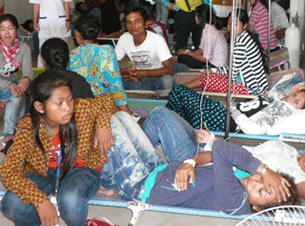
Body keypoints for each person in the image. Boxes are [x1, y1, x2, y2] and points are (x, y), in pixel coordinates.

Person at [105, 106, 296, 215]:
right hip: (159, 170)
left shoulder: (237, 201)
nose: (255, 181)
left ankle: (106, 181)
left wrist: (264, 170)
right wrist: (190, 162)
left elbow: (220, 148)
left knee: (109, 122)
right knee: (122, 116)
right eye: (261, 180)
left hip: (141, 189)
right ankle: (111, 171)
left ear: (257, 208)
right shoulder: (246, 179)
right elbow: (216, 155)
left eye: (261, 191)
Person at [0, 69, 114, 226]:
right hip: (43, 172)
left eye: (70, 100)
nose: (67, 108)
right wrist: (39, 201)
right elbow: (8, 170)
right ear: (40, 107)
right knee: (12, 204)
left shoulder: (81, 109)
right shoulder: (28, 125)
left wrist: (103, 126)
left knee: (70, 200)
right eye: (59, 103)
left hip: (81, 169)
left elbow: (107, 100)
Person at [184, 8, 268, 95]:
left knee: (206, 80)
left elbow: (232, 74)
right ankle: (181, 88)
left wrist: (215, 77)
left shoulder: (241, 43)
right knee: (209, 76)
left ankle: (180, 88)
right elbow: (233, 69)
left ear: (244, 25)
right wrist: (213, 71)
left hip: (251, 88)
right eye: (229, 23)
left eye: (235, 24)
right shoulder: (244, 38)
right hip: (250, 82)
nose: (231, 27)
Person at [166, 84, 305, 134]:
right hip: (228, 112)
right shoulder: (279, 99)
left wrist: (234, 111)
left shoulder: (282, 110)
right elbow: (278, 92)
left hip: (228, 121)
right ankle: (173, 125)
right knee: (182, 95)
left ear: (299, 110)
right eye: (294, 95)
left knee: (180, 93)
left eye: (297, 101)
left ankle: (170, 125)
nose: (291, 98)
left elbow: (254, 130)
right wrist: (297, 87)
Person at [68, 14, 129, 113]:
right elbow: (115, 85)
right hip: (104, 110)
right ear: (98, 33)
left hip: (81, 112)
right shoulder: (107, 51)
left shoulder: (71, 56)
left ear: (77, 34)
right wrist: (127, 116)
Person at [115, 4, 175, 97]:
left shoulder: (157, 39)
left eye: (137, 21)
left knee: (168, 80)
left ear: (145, 24)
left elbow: (169, 70)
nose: (133, 26)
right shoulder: (124, 39)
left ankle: (161, 103)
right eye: (128, 22)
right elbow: (111, 63)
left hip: (156, 79)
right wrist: (125, 72)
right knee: (111, 79)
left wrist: (145, 73)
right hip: (136, 79)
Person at [0, 14, 33, 146]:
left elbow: (28, 71)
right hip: (5, 85)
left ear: (16, 30)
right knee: (14, 91)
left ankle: (8, 134)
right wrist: (9, 85)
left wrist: (25, 80)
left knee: (16, 96)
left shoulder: (24, 48)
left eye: (10, 28)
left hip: (11, 86)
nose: (6, 32)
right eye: (2, 29)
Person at [177, 4, 228, 69]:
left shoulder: (210, 33)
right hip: (210, 62)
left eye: (196, 15)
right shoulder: (206, 29)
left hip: (215, 67)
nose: (195, 18)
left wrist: (189, 53)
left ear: (200, 17)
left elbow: (205, 59)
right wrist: (186, 52)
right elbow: (201, 49)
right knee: (183, 56)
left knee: (182, 58)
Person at [30, 0, 72, 68]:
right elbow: (36, 4)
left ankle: (64, 72)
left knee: (62, 48)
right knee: (43, 49)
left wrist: (67, 20)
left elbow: (66, 2)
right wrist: (35, 21)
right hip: (45, 22)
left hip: (61, 22)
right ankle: (42, 73)